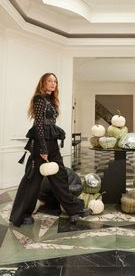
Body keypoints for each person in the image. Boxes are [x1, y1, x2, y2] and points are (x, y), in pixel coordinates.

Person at [9, 72, 92, 227]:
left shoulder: (51, 100)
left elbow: (49, 124)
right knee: (32, 181)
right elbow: (39, 125)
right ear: (43, 83)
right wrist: (42, 147)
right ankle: (23, 214)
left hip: (52, 144)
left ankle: (73, 210)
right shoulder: (39, 98)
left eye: (55, 81)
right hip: (41, 145)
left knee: (60, 176)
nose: (53, 84)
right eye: (50, 81)